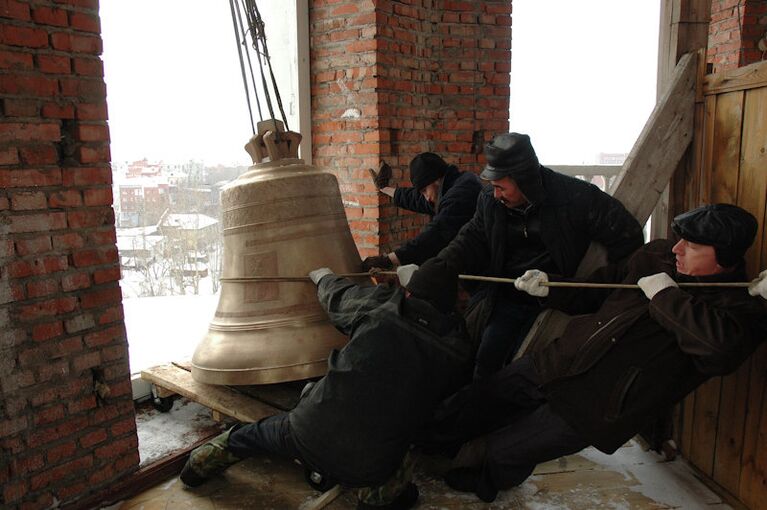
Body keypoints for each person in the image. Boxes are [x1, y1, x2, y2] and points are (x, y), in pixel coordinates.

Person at [438, 203, 767, 503]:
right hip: (562, 359)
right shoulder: (658, 256)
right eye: (679, 239)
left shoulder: (737, 311)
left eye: (692, 247)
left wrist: (667, 298)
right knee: (480, 399)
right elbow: (602, 288)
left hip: (598, 404)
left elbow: (719, 350)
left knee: (509, 450)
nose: (677, 249)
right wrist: (550, 287)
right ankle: (429, 438)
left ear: (724, 257)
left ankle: (483, 479)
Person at [180, 259, 472, 510]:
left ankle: (194, 469)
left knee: (247, 436)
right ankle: (373, 498)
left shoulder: (381, 307)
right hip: (370, 462)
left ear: (408, 291)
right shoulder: (456, 353)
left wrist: (322, 277)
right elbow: (444, 410)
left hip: (307, 430)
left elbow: (339, 295)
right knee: (404, 490)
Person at [432, 132, 644, 379]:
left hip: (558, 301)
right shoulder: (490, 202)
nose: (496, 194)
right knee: (484, 366)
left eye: (501, 186)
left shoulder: (575, 198)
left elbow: (627, 235)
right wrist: (436, 268)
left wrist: (604, 291)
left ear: (524, 179)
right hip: (509, 300)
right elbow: (470, 238)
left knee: (541, 373)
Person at [361, 153, 482, 270]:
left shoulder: (461, 194)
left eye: (425, 190)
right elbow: (415, 198)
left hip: (484, 269)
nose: (427, 197)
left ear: (437, 180)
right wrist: (384, 188)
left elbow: (436, 233)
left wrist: (388, 260)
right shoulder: (449, 184)